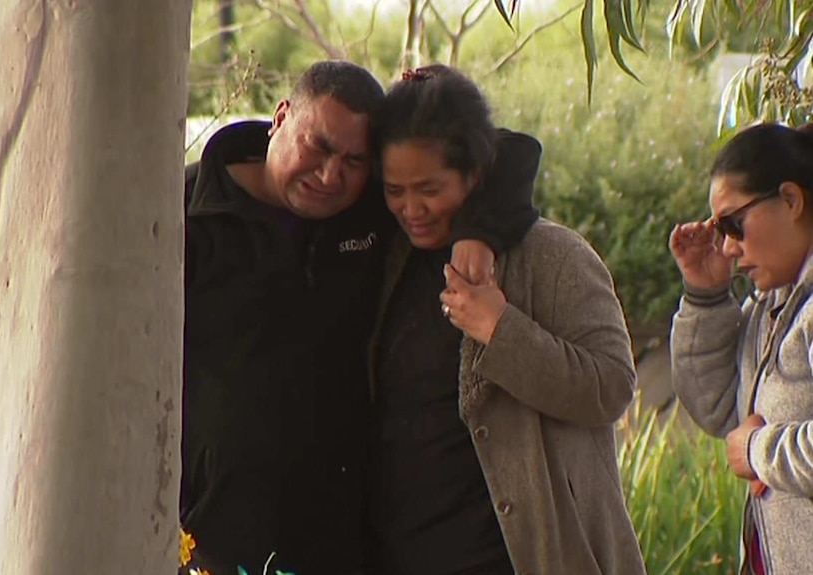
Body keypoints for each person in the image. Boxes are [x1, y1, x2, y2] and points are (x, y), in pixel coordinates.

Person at [180, 61, 537, 575]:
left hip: (344, 542)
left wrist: (478, 235)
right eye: (318, 147)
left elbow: (510, 153)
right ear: (280, 118)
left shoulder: (372, 206)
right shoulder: (181, 216)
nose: (331, 176)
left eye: (353, 160)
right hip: (214, 541)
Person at [365, 65, 646, 575]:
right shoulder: (383, 259)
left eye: (429, 188)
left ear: (475, 174)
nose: (411, 209)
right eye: (394, 191)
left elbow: (611, 388)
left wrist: (502, 331)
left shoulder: (554, 257)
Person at [669, 123, 813, 575]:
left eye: (734, 223)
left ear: (791, 200)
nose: (728, 247)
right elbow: (717, 409)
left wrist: (757, 450)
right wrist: (705, 295)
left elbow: (743, 440)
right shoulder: (774, 303)